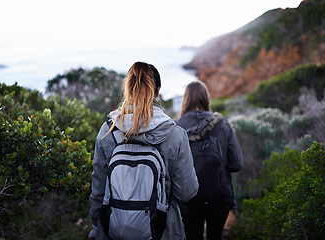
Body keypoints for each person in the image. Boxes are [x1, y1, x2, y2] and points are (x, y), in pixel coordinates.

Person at [88, 62, 199, 240]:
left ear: (128, 90)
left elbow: (98, 189)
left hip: (112, 230)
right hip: (163, 230)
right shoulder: (175, 134)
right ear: (157, 92)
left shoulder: (108, 130)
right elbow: (187, 192)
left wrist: (96, 225)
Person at [176, 80, 243, 240]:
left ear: (185, 100)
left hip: (188, 200)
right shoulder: (222, 125)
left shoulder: (176, 128)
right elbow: (236, 164)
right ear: (206, 99)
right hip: (219, 198)